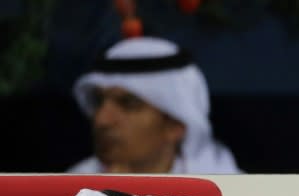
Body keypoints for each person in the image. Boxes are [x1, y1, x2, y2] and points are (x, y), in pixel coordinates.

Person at [68, 36, 242, 174]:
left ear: (175, 125)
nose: (101, 120)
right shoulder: (70, 188)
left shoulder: (239, 195)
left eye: (128, 103)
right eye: (98, 101)